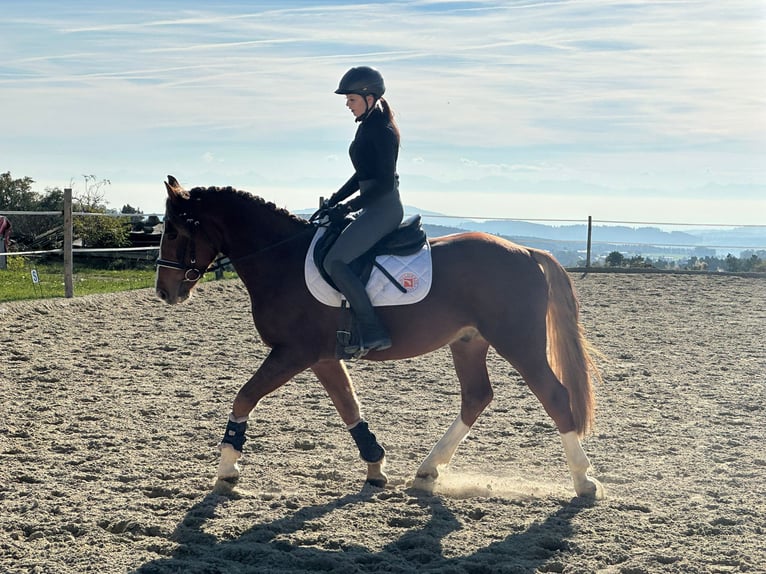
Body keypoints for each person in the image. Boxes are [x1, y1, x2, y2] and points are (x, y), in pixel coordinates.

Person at [323, 66, 404, 357]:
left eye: (351, 98)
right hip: (372, 205)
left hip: (383, 208)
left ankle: (373, 330)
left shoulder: (381, 131)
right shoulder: (367, 125)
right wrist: (335, 199)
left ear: (370, 97)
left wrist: (349, 206)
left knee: (336, 261)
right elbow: (361, 175)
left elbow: (381, 184)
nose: (347, 103)